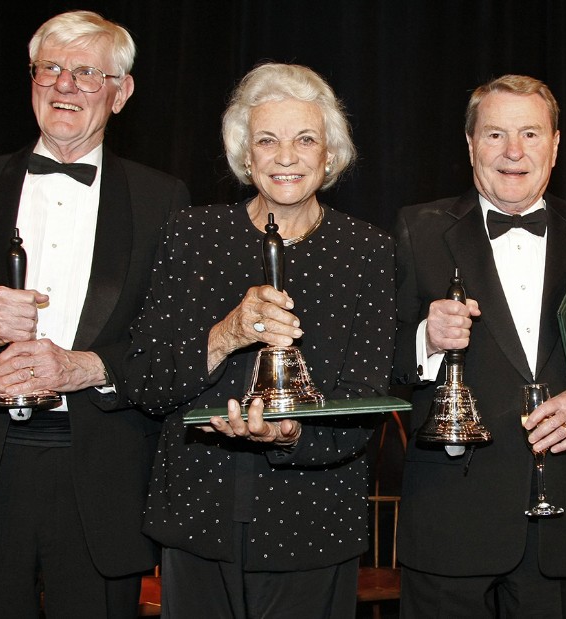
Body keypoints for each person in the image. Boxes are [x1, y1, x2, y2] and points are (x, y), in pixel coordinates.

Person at [0, 10, 190, 618]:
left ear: (121, 92)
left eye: (86, 72)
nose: (64, 85)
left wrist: (82, 367)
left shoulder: (165, 200)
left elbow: (169, 350)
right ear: (31, 79)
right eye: (49, 68)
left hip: (101, 481)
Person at [124, 62, 394, 618]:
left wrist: (293, 431)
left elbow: (365, 398)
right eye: (267, 140)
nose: (287, 156)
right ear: (246, 157)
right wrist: (227, 334)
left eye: (305, 140)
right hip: (198, 519)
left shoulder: (368, 250)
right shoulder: (190, 235)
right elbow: (144, 378)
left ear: (330, 155)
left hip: (313, 525)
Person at [392, 74, 566, 618]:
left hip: (557, 523)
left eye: (531, 134)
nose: (513, 152)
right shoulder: (416, 229)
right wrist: (425, 338)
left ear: (556, 145)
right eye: (495, 135)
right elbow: (372, 360)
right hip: (449, 520)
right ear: (470, 144)